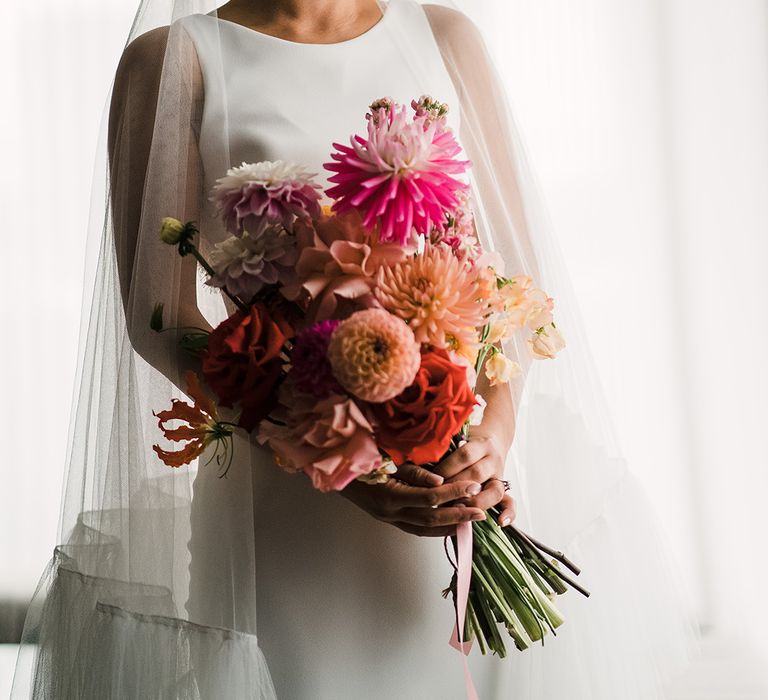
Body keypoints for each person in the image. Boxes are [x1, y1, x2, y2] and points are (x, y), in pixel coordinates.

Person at [11, 1, 696, 698]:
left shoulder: (444, 38)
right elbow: (158, 315)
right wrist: (327, 454)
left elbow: (510, 276)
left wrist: (493, 432)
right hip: (280, 500)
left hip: (453, 471)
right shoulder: (172, 61)